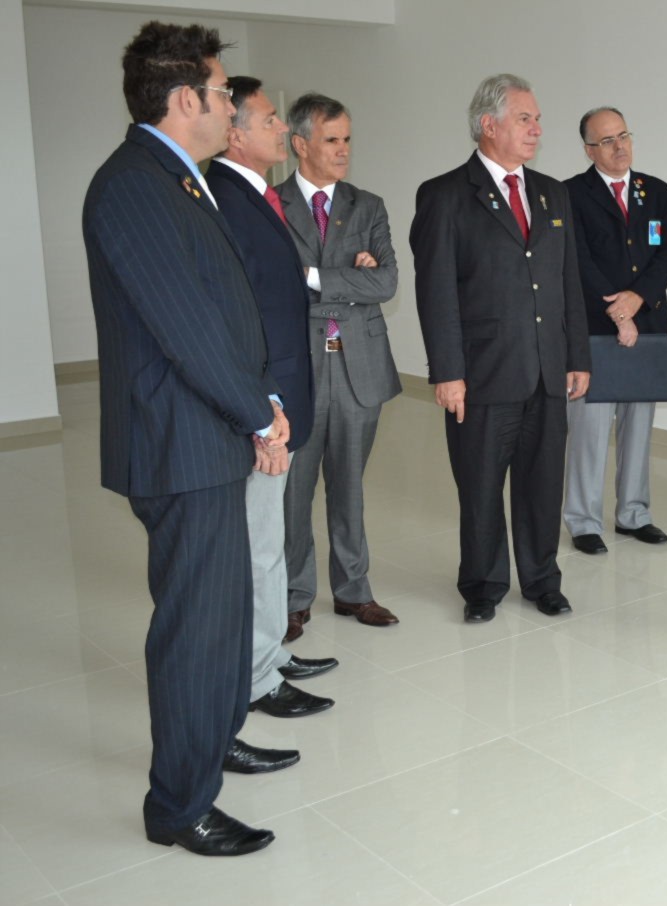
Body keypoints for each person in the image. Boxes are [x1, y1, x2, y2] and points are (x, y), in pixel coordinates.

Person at [83, 21, 298, 856]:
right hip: (180, 442)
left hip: (208, 430)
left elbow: (223, 309)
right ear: (185, 99)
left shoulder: (178, 177)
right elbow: (187, 329)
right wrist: (257, 415)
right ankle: (179, 806)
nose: (228, 106)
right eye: (218, 92)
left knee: (222, 612)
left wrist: (261, 399)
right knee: (195, 628)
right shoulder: (134, 185)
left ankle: (213, 740)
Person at [411, 73, 591, 624]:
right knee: (481, 487)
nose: (537, 129)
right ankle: (483, 584)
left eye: (537, 119)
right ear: (488, 125)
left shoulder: (552, 193)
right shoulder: (445, 195)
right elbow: (435, 291)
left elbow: (568, 281)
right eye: (524, 119)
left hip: (547, 370)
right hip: (482, 372)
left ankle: (541, 579)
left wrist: (577, 356)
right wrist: (448, 371)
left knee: (542, 484)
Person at [206, 77, 339, 718]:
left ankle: (272, 654)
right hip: (265, 405)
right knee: (259, 545)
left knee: (271, 540)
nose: (282, 129)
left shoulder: (254, 193)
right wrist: (265, 407)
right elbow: (240, 314)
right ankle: (258, 677)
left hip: (279, 395)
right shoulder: (227, 200)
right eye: (267, 120)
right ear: (233, 133)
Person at [278, 92, 401, 640]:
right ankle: (294, 597)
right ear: (300, 144)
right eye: (332, 140)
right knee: (294, 492)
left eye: (347, 139)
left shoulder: (367, 205)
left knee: (349, 486)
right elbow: (274, 286)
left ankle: (353, 591)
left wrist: (313, 277)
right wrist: (351, 279)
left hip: (359, 367)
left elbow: (387, 281)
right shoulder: (270, 204)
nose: (343, 150)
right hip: (298, 368)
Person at [563, 106, 667, 555]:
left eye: (624, 136)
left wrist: (637, 299)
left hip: (646, 324)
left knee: (638, 426)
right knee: (589, 430)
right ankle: (583, 521)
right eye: (607, 140)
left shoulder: (656, 190)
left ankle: (634, 513)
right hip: (594, 327)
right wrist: (618, 310)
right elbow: (577, 260)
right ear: (589, 149)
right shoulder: (570, 194)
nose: (619, 147)